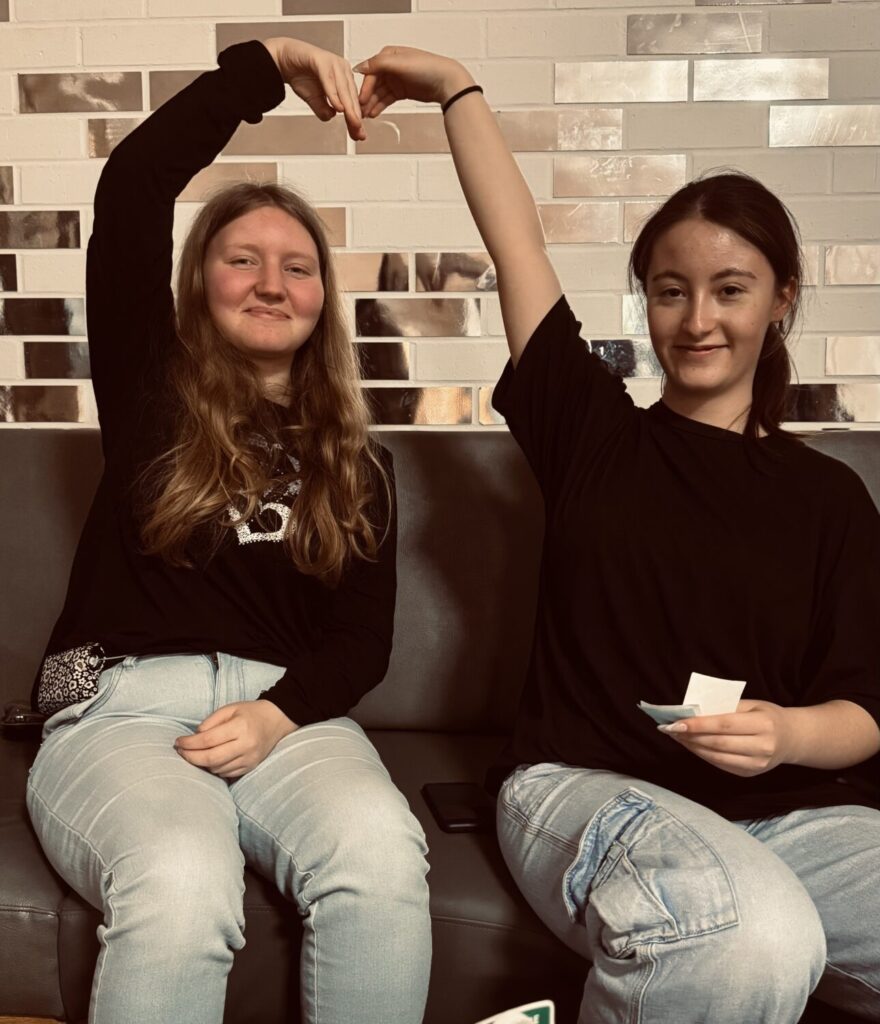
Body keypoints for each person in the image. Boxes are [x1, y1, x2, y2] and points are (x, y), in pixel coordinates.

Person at [354, 46, 880, 1023]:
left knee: (765, 911)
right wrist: (457, 89)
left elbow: (866, 705)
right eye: (671, 290)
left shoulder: (832, 498)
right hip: (584, 787)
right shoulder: (591, 432)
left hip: (788, 812)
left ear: (781, 299)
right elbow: (518, 246)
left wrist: (788, 734)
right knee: (754, 934)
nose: (697, 318)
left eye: (730, 288)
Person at [25, 38, 431, 1024]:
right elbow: (133, 188)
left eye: (296, 267)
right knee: (180, 881)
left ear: (322, 299)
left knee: (383, 861)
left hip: (287, 719)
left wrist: (280, 713)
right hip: (123, 706)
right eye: (240, 259)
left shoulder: (361, 462)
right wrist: (266, 67)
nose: (268, 282)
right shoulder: (150, 392)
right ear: (200, 281)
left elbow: (361, 642)